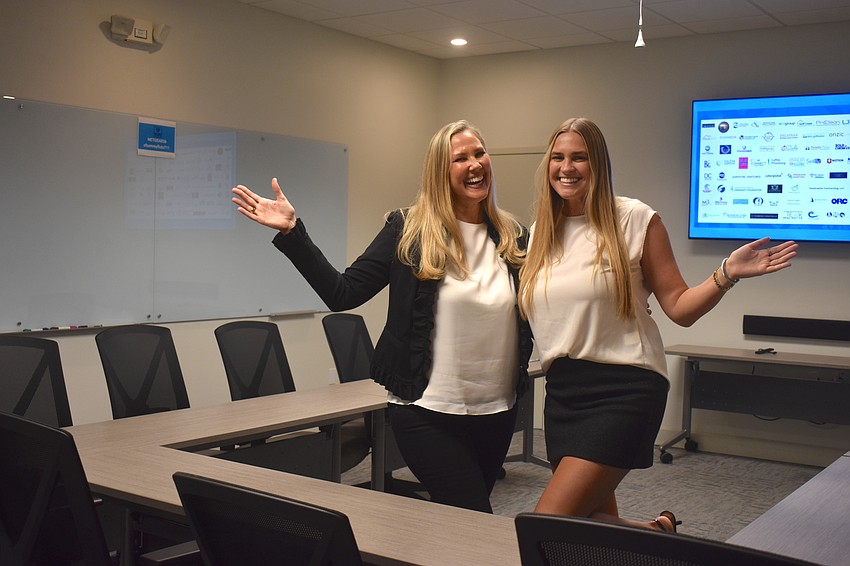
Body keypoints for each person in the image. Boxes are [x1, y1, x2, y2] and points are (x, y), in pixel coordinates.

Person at [231, 120, 532, 513]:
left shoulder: (514, 236)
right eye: (460, 158)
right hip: (428, 411)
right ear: (440, 171)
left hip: (496, 410)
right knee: (477, 518)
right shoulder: (408, 229)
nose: (475, 164)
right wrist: (292, 233)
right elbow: (343, 292)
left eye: (479, 153)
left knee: (456, 525)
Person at [517, 117, 798, 532]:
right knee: (589, 530)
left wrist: (727, 273)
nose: (566, 167)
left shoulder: (634, 219)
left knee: (548, 525)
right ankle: (656, 533)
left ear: (598, 164)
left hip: (624, 388)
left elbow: (680, 308)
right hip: (563, 391)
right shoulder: (541, 233)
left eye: (579, 157)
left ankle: (657, 535)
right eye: (558, 157)